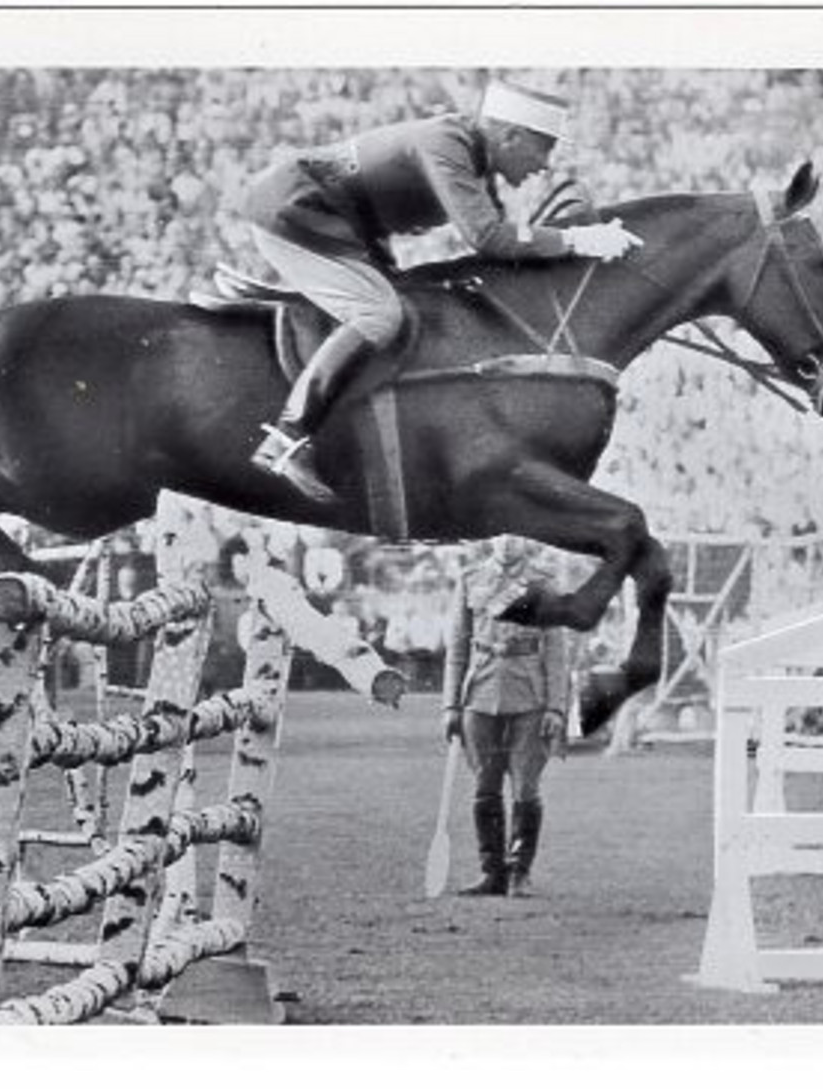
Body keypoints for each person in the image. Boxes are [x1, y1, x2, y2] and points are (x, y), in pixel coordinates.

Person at [240, 80, 643, 503]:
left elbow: (505, 252)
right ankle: (285, 438)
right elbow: (490, 238)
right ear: (510, 136)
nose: (544, 165)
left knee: (416, 304)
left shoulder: (472, 161)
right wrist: (578, 241)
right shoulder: (446, 143)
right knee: (379, 316)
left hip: (338, 221)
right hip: (294, 210)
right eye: (543, 149)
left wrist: (584, 242)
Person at [440, 536, 571, 897]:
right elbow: (457, 647)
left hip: (530, 696)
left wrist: (556, 707)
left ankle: (520, 871)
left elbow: (557, 651)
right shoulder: (470, 579)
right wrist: (450, 705)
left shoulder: (543, 583)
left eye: (517, 533)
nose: (509, 541)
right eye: (502, 532)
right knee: (485, 786)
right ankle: (491, 871)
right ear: (491, 536)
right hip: (479, 695)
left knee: (526, 787)